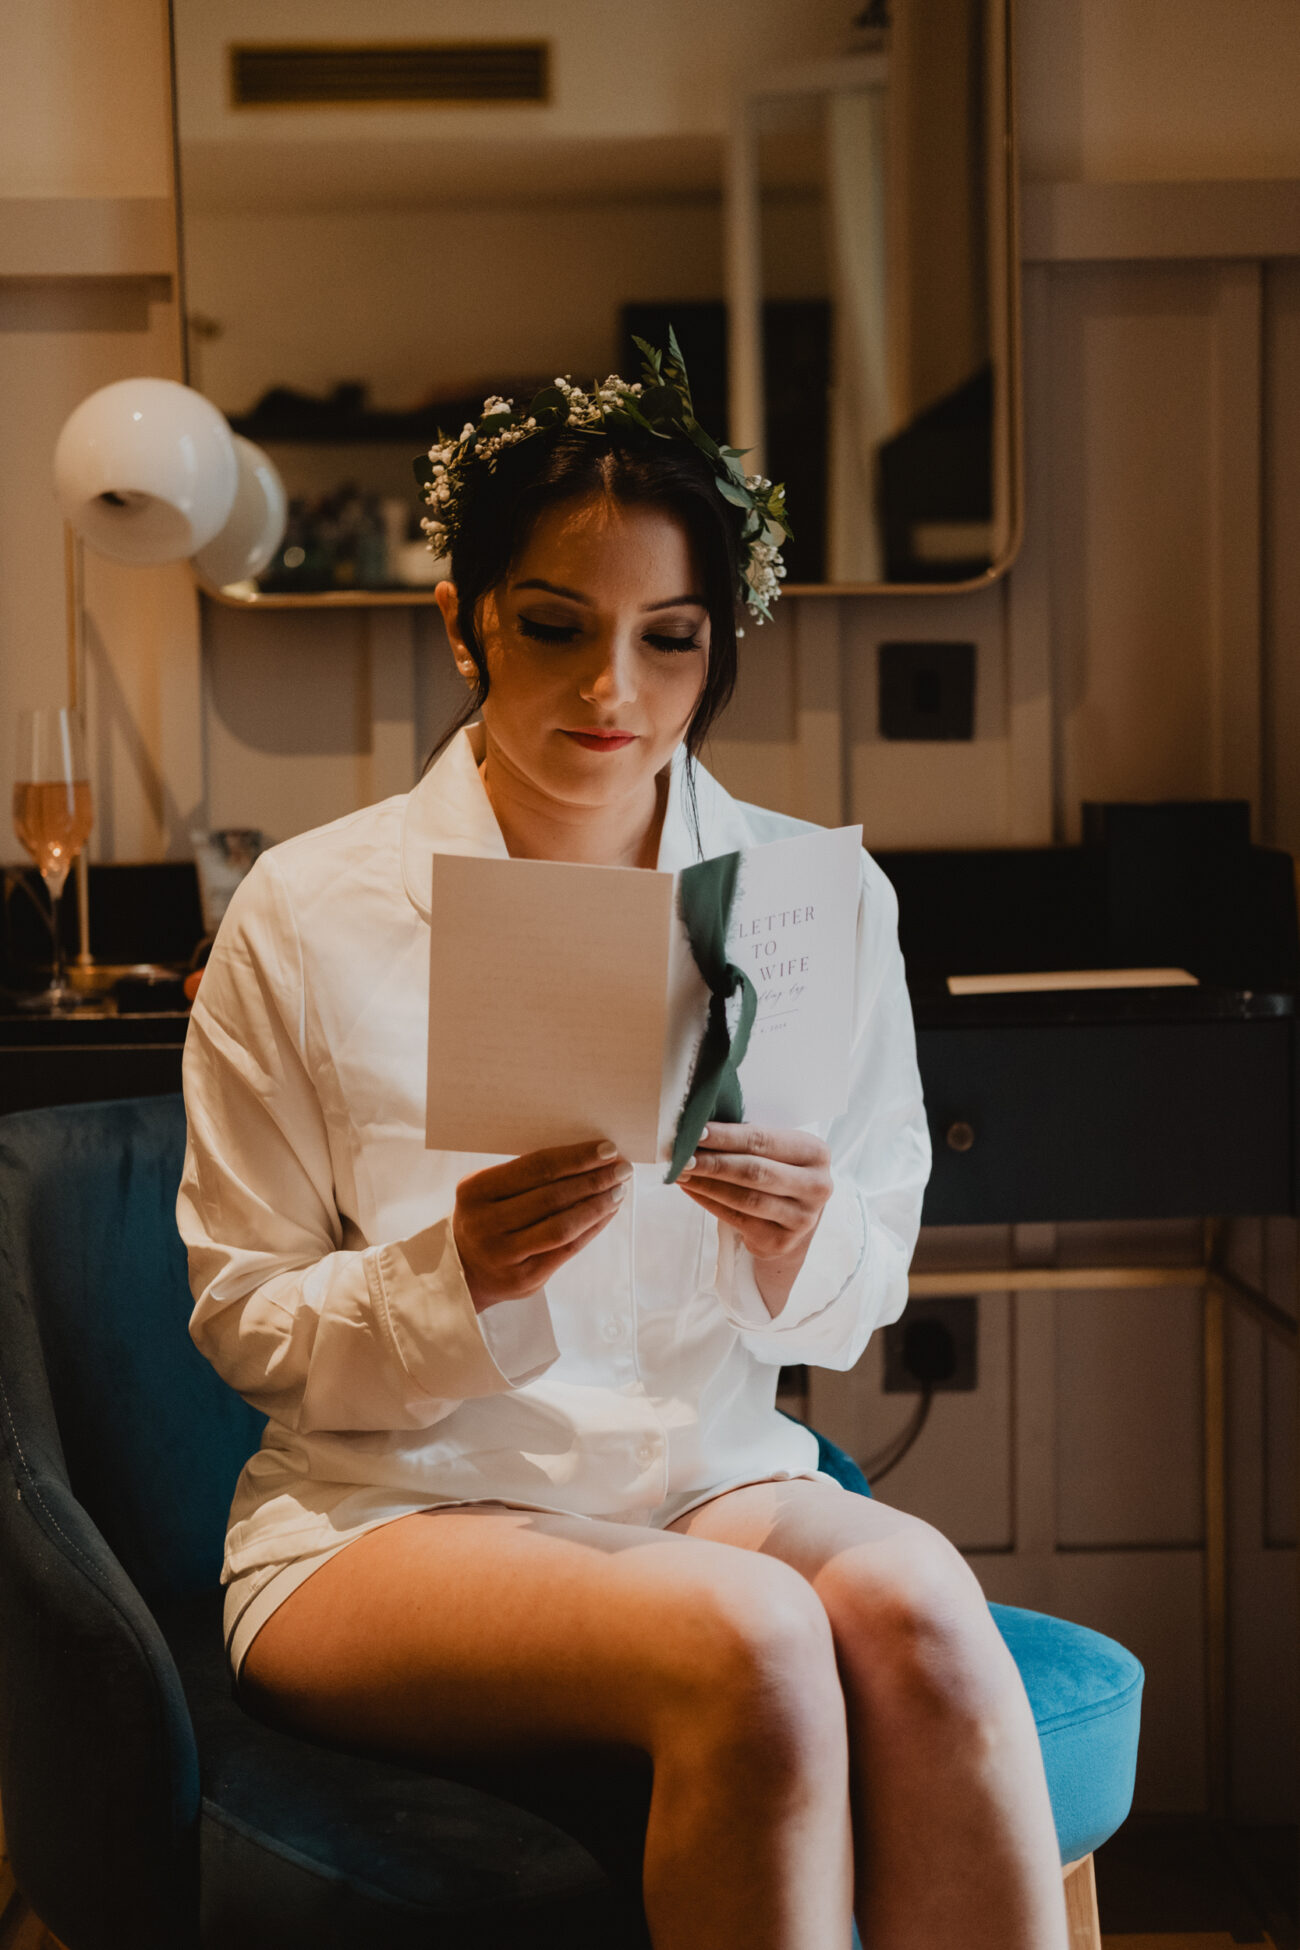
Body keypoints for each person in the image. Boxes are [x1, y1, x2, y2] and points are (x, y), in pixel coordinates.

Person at [178, 344, 1068, 1950]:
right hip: (390, 1518)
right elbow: (242, 1313)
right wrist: (451, 1280)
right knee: (753, 1637)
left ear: (721, 641)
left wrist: (802, 1231)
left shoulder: (815, 903)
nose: (614, 696)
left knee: (931, 1607)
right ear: (463, 620)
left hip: (704, 1479)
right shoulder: (306, 916)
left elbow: (855, 1295)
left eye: (670, 641)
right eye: (556, 629)